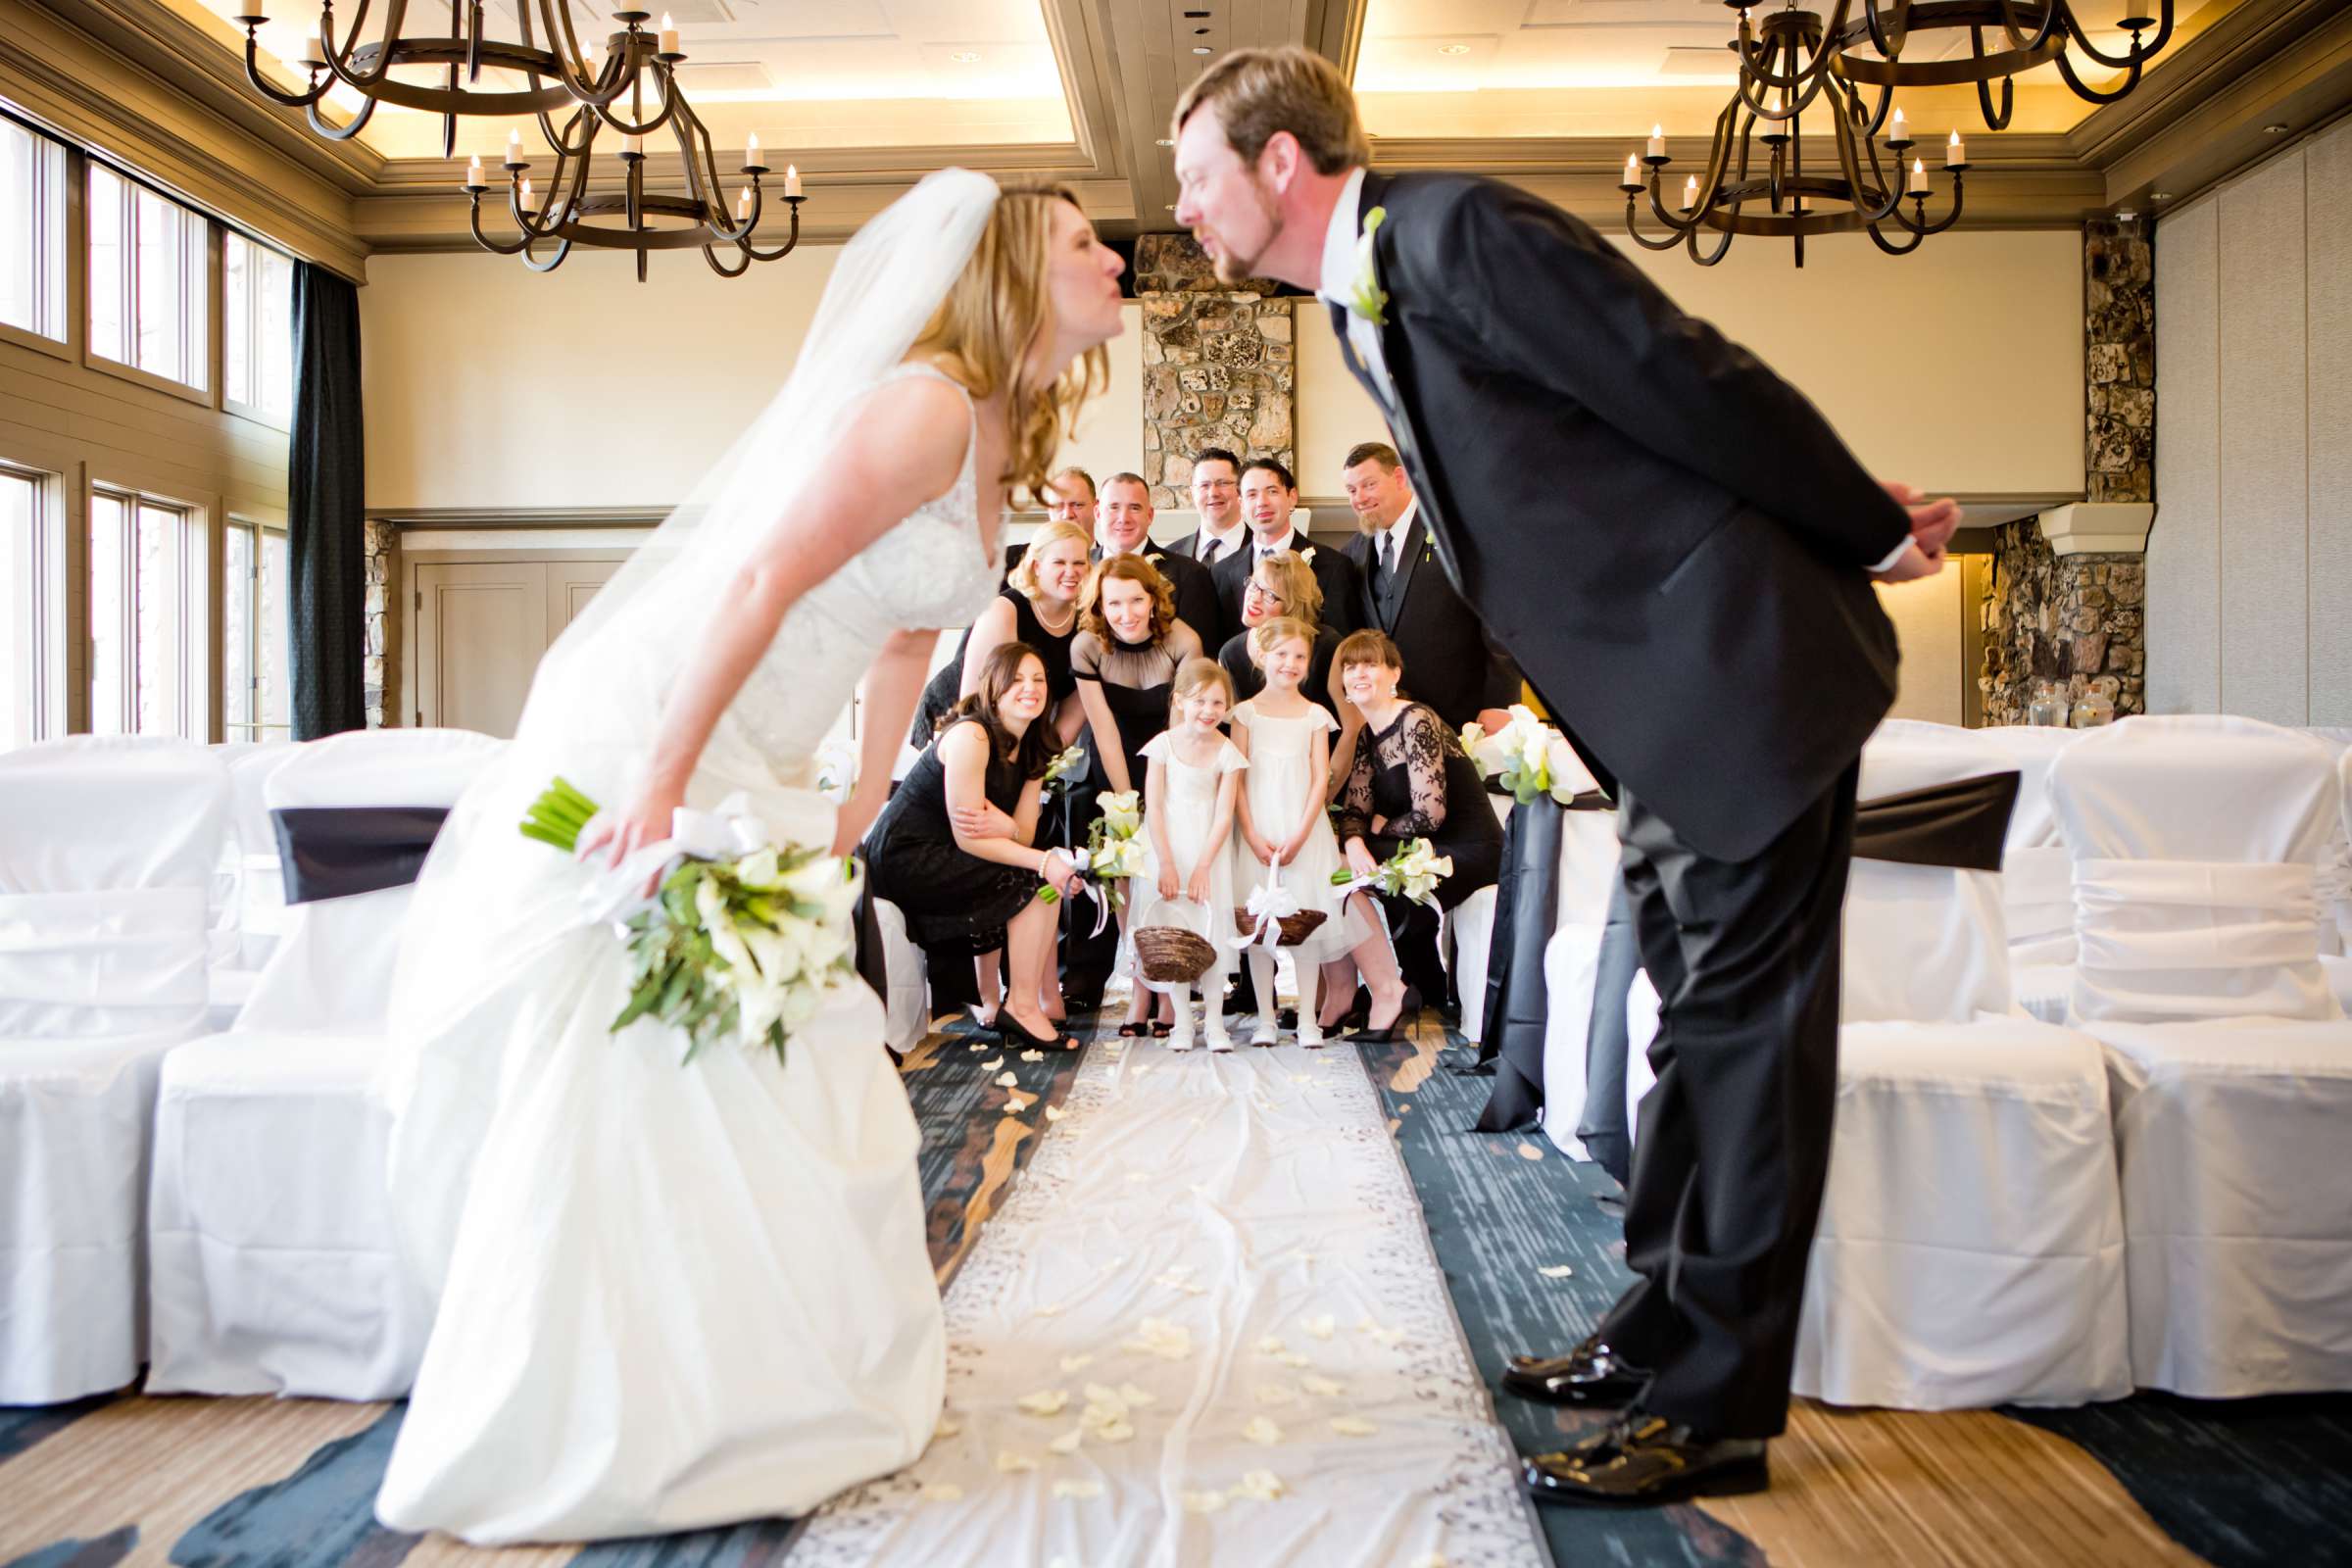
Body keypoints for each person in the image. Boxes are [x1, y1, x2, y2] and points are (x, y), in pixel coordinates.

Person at [1173, 49, 1960, 1505]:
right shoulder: (1366, 297)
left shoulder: (1454, 232)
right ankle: (1662, 1326)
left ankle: (1718, 1409)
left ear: (1280, 163)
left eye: (1196, 174)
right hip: (1656, 707)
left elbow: (1680, 374)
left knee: (1742, 1054)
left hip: (1745, 674)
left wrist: (1862, 523)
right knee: (1687, 1035)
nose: (1184, 205)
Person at [373, 171, 1121, 1544]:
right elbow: (760, 578)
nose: (1115, 260)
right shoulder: (925, 405)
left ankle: (749, 1372)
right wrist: (661, 787)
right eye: (1085, 242)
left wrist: (856, 791)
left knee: (772, 1052)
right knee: (666, 1053)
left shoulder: (1000, 425)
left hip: (768, 761)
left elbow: (906, 638)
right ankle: (606, 1398)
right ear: (1016, 268)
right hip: (679, 732)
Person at [866, 644, 1077, 1049]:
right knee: (1036, 879)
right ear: (993, 688)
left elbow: (1022, 835)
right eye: (1016, 680)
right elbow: (970, 836)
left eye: (1038, 680)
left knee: (1044, 883)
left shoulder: (1035, 743)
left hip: (953, 851)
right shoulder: (972, 736)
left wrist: (1008, 828)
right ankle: (1022, 1007)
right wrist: (1043, 859)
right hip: (905, 856)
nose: (1029, 689)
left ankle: (1018, 1004)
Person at [1226, 616, 1406, 1048]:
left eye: (1300, 657)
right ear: (1261, 657)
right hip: (1257, 829)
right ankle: (1267, 1019)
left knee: (1307, 922)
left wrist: (1303, 833)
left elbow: (1318, 781)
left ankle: (1308, 1017)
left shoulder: (1316, 716)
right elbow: (1235, 779)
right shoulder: (1244, 714)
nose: (1290, 663)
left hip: (1302, 831)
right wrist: (1250, 833)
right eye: (1282, 654)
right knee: (1258, 927)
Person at [1324, 628, 1503, 1022]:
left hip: (1469, 848)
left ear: (1395, 674)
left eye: (1371, 664)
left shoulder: (1416, 719)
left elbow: (1430, 815)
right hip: (1424, 846)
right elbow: (1354, 811)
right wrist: (1355, 843)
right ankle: (1411, 983)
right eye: (1350, 667)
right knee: (1339, 864)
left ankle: (1401, 986)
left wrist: (1379, 829)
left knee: (1342, 870)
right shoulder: (1369, 738)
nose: (1359, 673)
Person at [1069, 554, 1204, 1037]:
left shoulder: (1184, 642)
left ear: (1153, 600)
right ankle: (1140, 987)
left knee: (1169, 873)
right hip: (1115, 763)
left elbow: (1177, 730)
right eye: (1113, 604)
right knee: (1126, 877)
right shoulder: (1086, 646)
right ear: (1100, 606)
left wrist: (1158, 798)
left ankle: (1171, 995)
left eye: (1135, 601)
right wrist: (1125, 803)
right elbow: (1102, 728)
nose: (1125, 613)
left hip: (1170, 760)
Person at [1338, 441, 1520, 735]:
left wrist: (1501, 703)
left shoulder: (1455, 535)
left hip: (1462, 717)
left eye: (1368, 485)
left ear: (1399, 477)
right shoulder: (1352, 552)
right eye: (1351, 490)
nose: (1359, 498)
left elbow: (1498, 623)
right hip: (1384, 724)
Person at [1130, 659, 1248, 1053]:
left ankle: (1214, 1021)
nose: (1209, 711)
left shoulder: (1227, 752)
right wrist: (1165, 862)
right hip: (1168, 848)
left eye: (1218, 703)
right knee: (1176, 936)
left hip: (1207, 852)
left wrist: (1203, 866)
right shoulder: (1162, 747)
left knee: (1211, 935)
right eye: (1200, 702)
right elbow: (1156, 808)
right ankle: (1181, 1020)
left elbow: (1223, 813)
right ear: (1180, 701)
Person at [907, 516, 1089, 751]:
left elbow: (1073, 710)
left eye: (1079, 563)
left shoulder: (1087, 621)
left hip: (1019, 730)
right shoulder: (1004, 612)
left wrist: (1042, 756)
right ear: (1037, 567)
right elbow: (975, 703)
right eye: (1059, 563)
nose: (1071, 572)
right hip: (960, 716)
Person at [1205, 457, 1361, 648]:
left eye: (1272, 491)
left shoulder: (1334, 565)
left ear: (1292, 496)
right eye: (1252, 495)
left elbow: (1341, 646)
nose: (1262, 502)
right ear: (1241, 504)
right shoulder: (1221, 572)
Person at [1094, 469, 1221, 649]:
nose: (1124, 518)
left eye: (1135, 508)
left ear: (1150, 515)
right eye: (1114, 507)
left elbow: (1201, 658)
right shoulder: (1080, 569)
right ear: (1098, 513)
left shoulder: (1189, 575)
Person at [1217, 548, 1345, 723]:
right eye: (1254, 585)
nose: (1254, 598)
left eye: (1270, 595)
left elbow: (1351, 726)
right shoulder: (1230, 653)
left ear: (1293, 606)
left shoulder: (1327, 646)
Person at [1164, 446, 1250, 589]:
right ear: (1192, 493)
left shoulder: (1263, 552)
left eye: (1223, 483)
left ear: (1240, 489)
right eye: (1204, 485)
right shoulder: (1170, 555)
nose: (1213, 493)